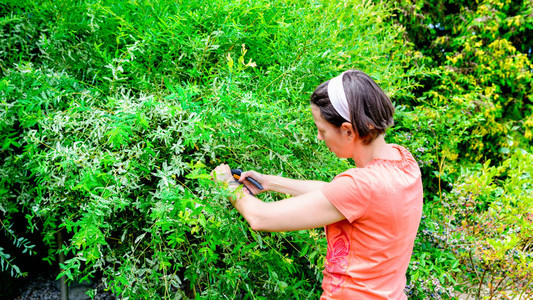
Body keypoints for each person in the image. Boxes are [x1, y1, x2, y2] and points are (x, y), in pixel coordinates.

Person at [211, 69, 423, 299]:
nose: (319, 138)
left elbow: (261, 218)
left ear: (348, 131)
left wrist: (227, 186)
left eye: (322, 130)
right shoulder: (404, 161)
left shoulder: (361, 186)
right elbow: (336, 195)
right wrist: (269, 182)